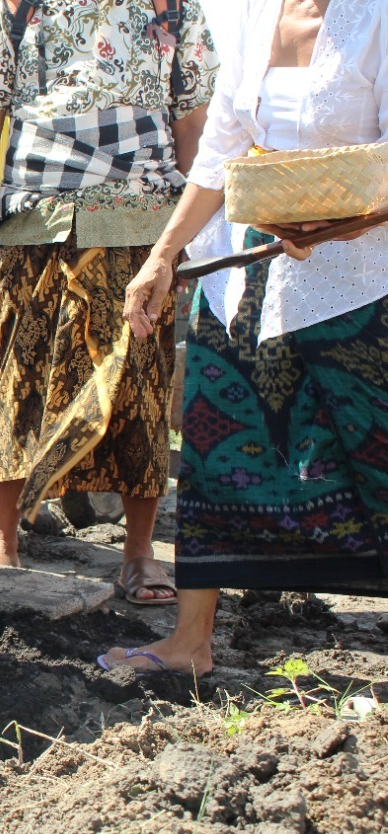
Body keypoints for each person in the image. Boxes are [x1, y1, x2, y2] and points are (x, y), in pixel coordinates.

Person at [100, 0, 388, 675]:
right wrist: (163, 256)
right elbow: (220, 154)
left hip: (356, 278)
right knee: (213, 444)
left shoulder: (376, 17)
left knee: (373, 452)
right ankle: (191, 643)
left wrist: (336, 224)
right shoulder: (256, 14)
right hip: (249, 274)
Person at [0, 0, 218, 603]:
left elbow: (194, 130)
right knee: (23, 375)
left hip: (142, 225)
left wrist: (183, 246)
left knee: (139, 384)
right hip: (33, 218)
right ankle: (4, 533)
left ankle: (139, 553)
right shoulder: (16, 8)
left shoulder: (174, 9)